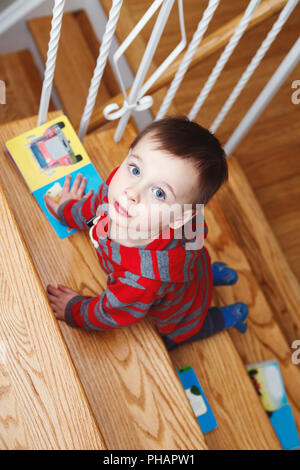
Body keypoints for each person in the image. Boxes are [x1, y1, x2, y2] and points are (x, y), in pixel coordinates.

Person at [44, 117, 248, 352]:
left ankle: (229, 315)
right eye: (135, 169)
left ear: (181, 217)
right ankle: (213, 275)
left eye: (159, 193)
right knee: (193, 275)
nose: (132, 192)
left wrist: (74, 310)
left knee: (179, 333)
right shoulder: (119, 190)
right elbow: (94, 207)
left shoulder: (142, 280)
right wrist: (66, 211)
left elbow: (112, 312)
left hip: (181, 310)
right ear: (128, 156)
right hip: (193, 267)